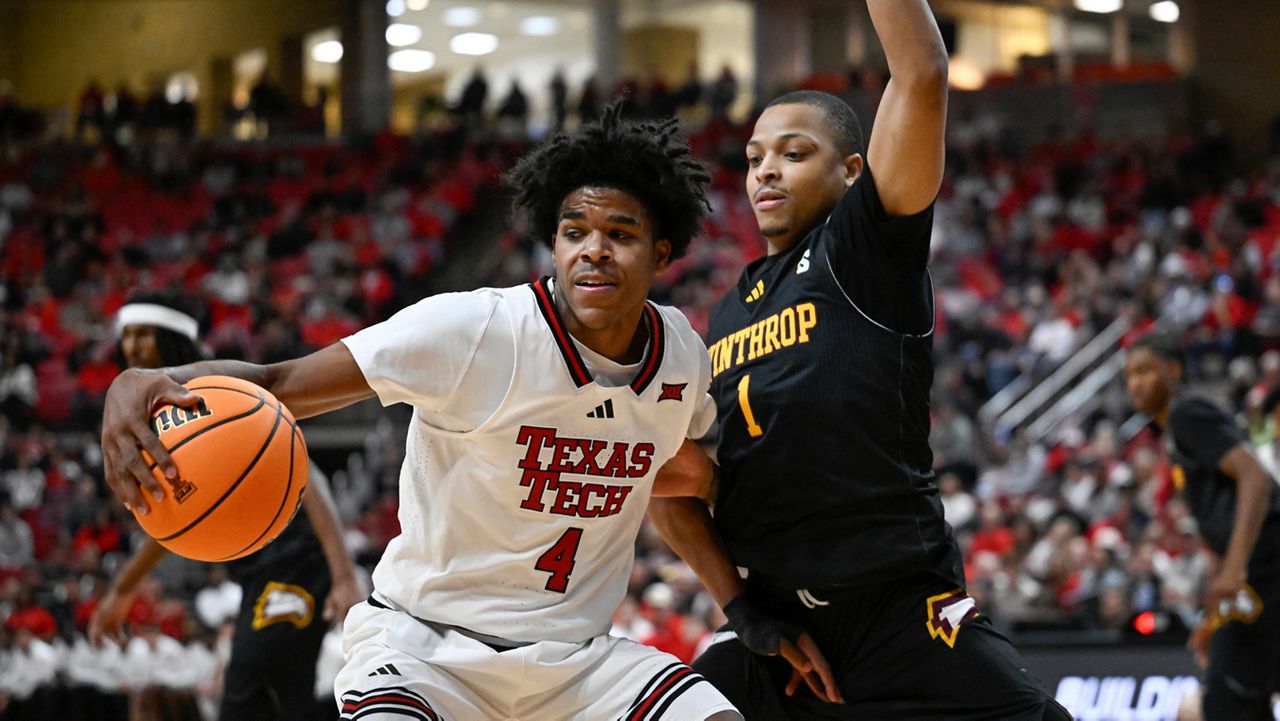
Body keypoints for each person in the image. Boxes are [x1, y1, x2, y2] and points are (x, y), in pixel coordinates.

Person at [99, 106, 820, 720]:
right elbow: (278, 379)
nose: (593, 251)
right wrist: (146, 378)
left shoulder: (681, 357)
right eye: (575, 231)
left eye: (621, 234)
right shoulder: (473, 331)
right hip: (425, 649)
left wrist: (741, 604)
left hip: (576, 665)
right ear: (553, 240)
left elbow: (674, 477)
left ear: (661, 252)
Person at [649, 2, 1070, 718]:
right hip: (784, 626)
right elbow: (670, 480)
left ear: (851, 171)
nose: (766, 172)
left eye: (793, 152)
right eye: (753, 159)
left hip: (899, 609)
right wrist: (742, 610)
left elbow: (923, 73)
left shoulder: (864, 247)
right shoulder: (727, 309)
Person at [89, 289, 362, 721]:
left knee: (251, 695)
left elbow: (311, 474)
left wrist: (343, 574)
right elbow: (179, 514)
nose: (132, 346)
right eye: (127, 335)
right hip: (258, 568)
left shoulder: (211, 390)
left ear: (172, 334)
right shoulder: (152, 412)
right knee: (277, 698)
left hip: (297, 560)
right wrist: (122, 591)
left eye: (144, 333)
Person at [1123, 332, 1280, 720]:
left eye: (1145, 370)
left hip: (1268, 564)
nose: (1135, 383)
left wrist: (1235, 569)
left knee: (1225, 700)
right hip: (1256, 571)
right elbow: (1224, 526)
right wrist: (1215, 611)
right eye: (1128, 376)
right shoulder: (1176, 431)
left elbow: (1255, 478)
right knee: (1234, 700)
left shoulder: (1186, 412)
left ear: (1173, 370)